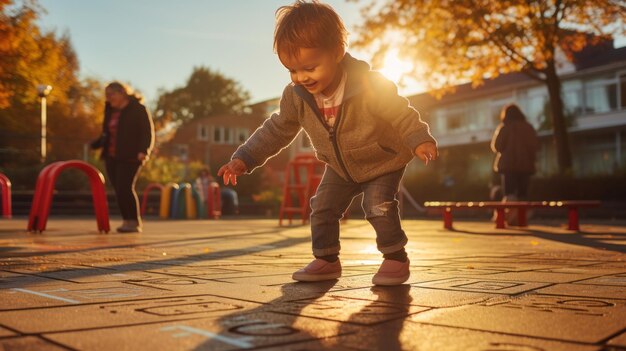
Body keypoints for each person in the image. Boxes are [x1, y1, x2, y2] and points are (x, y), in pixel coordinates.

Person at [217, 1, 438, 286]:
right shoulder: (296, 96)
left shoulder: (369, 84)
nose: (301, 77)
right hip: (340, 167)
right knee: (321, 207)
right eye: (292, 70)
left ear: (337, 52)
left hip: (381, 161)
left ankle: (395, 258)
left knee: (378, 206)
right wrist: (245, 157)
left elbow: (400, 112)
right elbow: (276, 130)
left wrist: (419, 139)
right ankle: (326, 260)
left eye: (309, 67)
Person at [91, 82, 154, 233]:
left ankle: (134, 221)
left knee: (125, 187)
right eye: (106, 95)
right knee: (118, 189)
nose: (108, 98)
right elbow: (107, 132)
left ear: (122, 93)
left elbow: (147, 132)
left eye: (111, 94)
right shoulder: (110, 110)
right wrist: (97, 143)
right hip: (111, 155)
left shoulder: (138, 109)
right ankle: (126, 220)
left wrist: (144, 150)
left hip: (131, 155)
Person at [491, 104, 539, 202]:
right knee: (523, 195)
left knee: (509, 195)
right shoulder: (528, 127)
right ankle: (522, 215)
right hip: (526, 165)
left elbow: (497, 146)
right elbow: (534, 146)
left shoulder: (505, 127)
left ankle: (510, 215)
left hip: (508, 166)